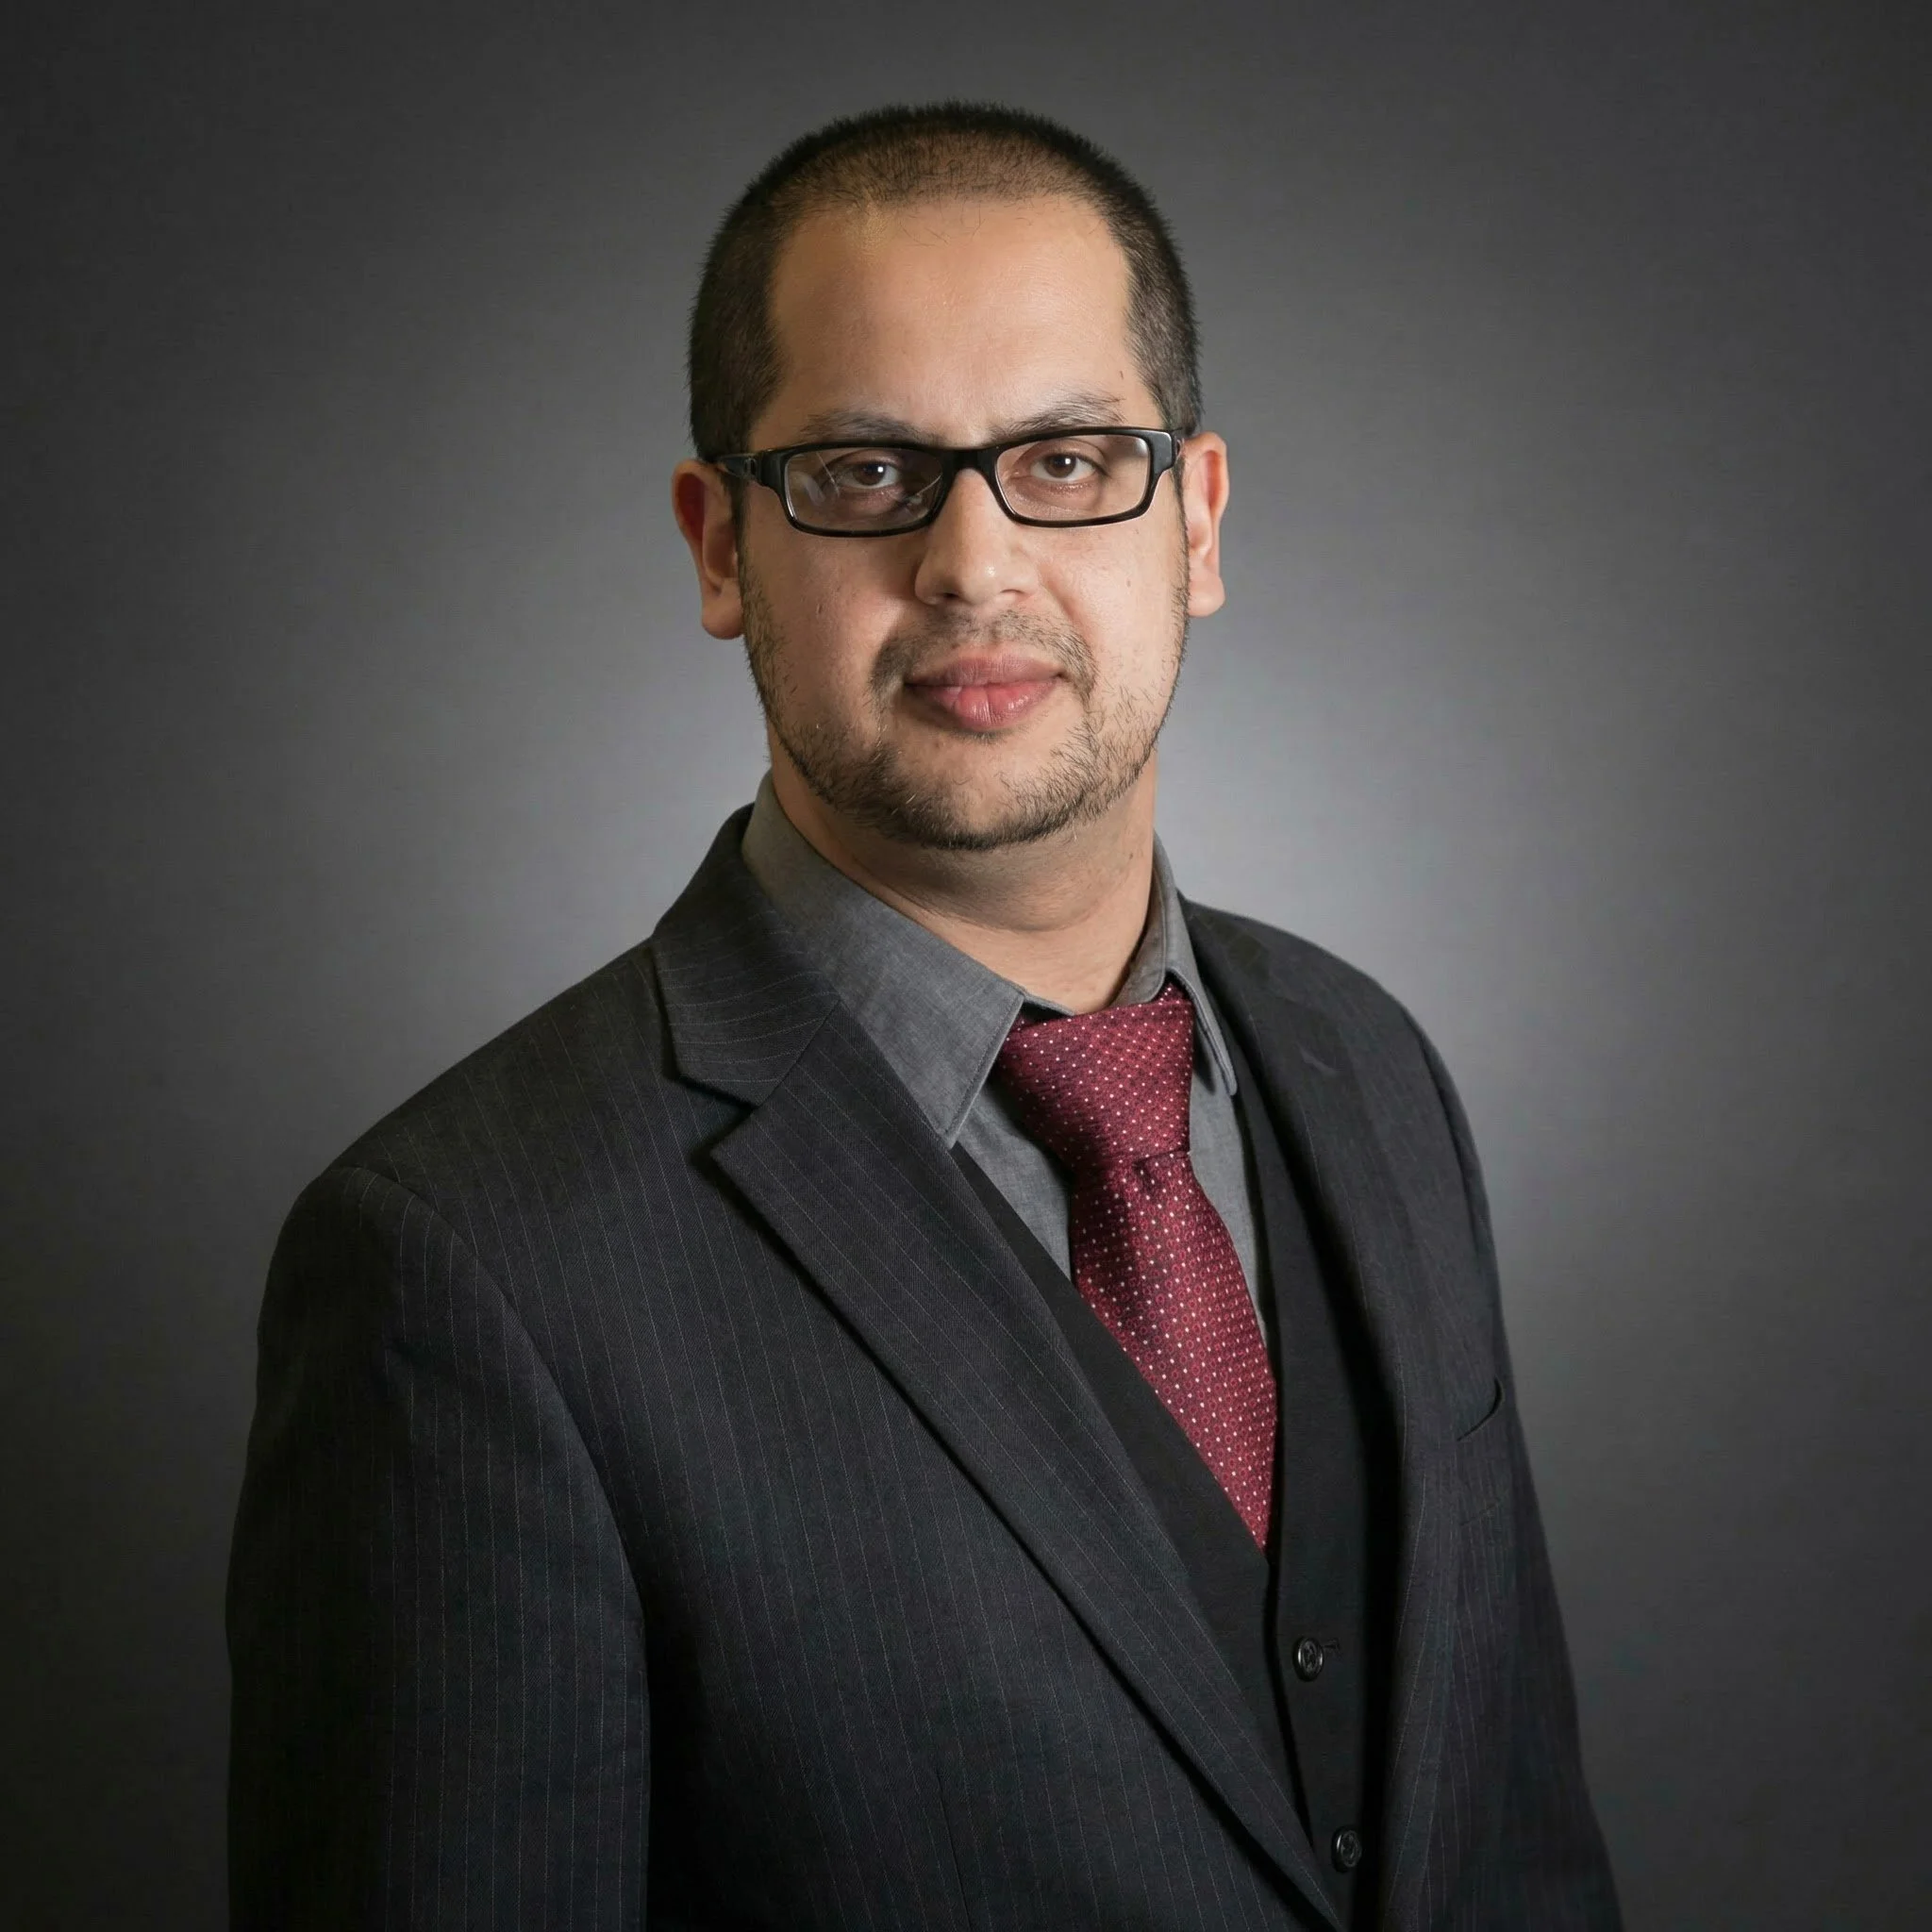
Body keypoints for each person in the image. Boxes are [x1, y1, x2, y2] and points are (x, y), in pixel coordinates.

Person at [227, 102, 1621, 1930]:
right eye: (867, 471)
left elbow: (1510, 1848)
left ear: (1197, 520)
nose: (972, 563)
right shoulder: (464, 1264)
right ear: (721, 545)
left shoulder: (1367, 1063)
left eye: (1069, 458)